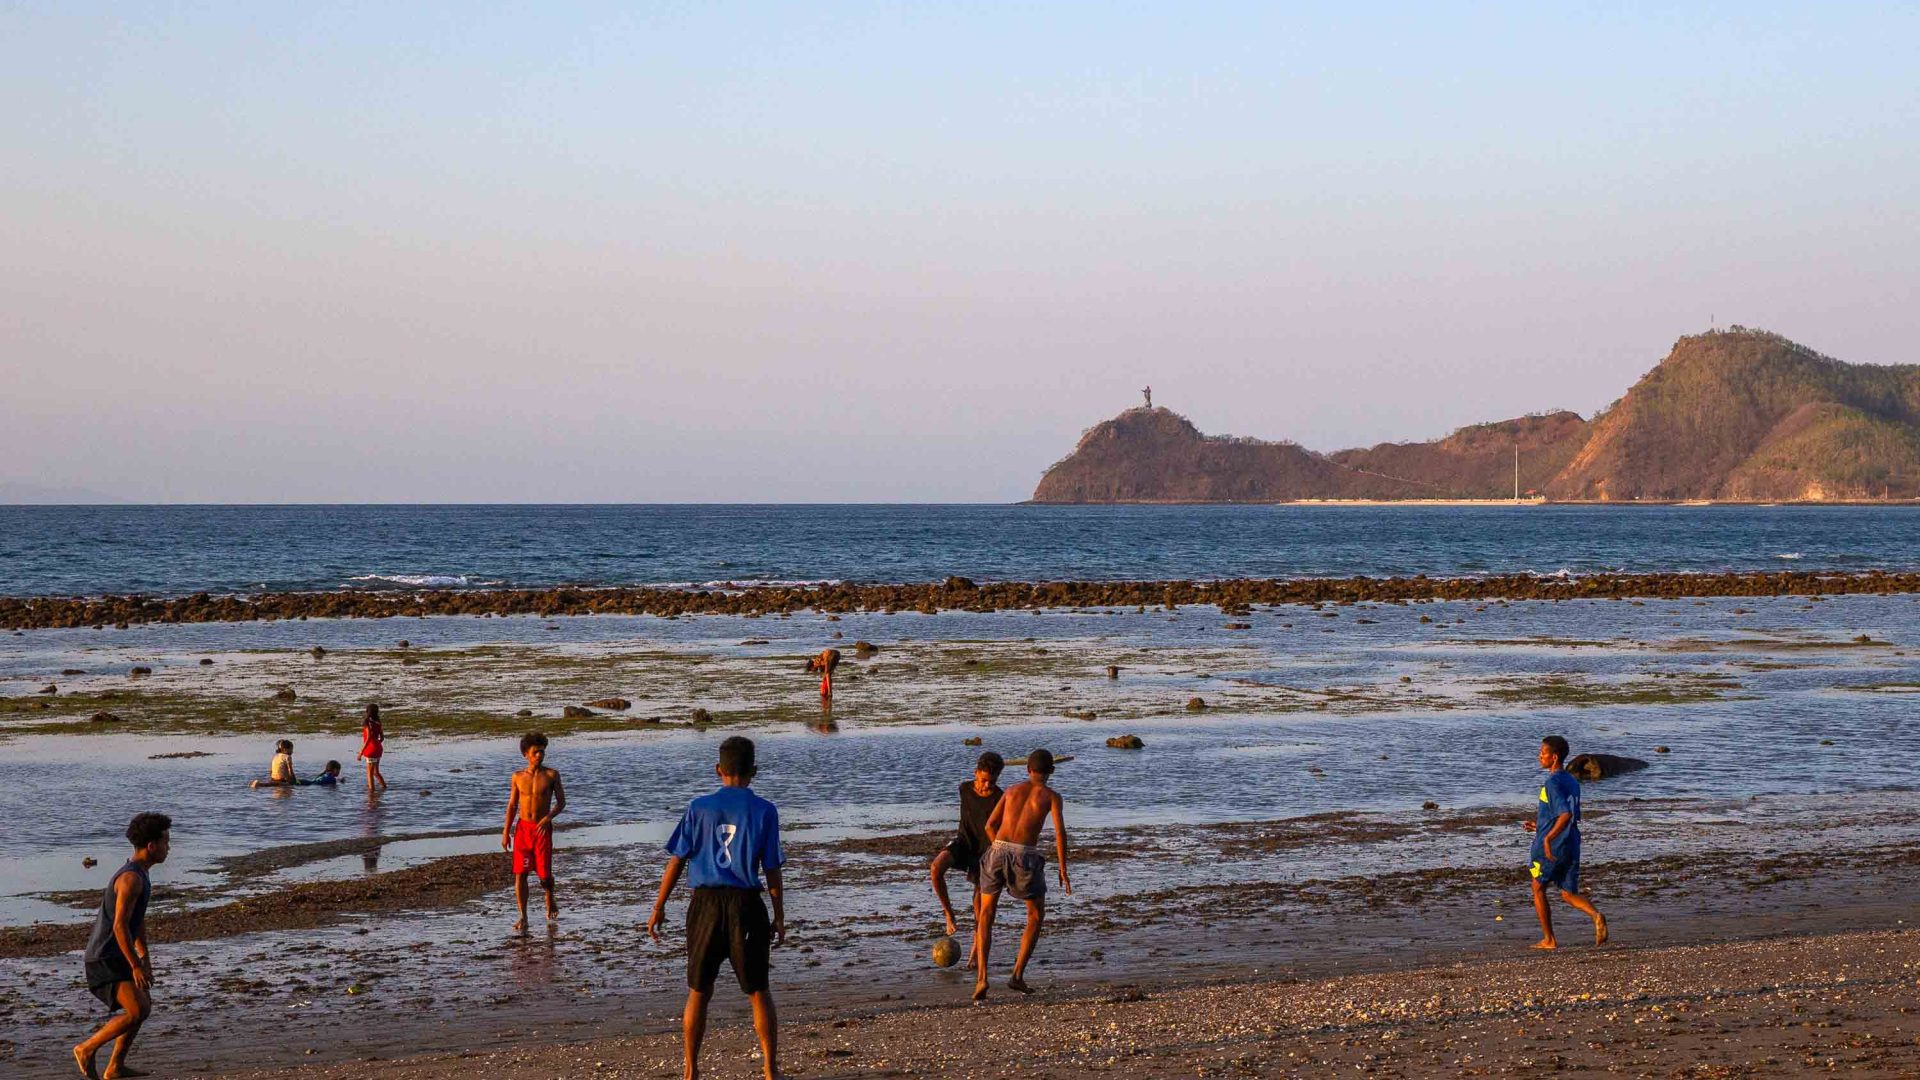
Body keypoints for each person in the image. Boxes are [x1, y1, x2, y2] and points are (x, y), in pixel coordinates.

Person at [648, 736, 786, 1080]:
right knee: (758, 991)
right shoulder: (765, 810)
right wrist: (779, 913)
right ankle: (770, 1070)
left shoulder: (699, 808)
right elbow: (771, 868)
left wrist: (659, 905)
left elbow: (677, 860)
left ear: (718, 770)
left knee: (698, 990)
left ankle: (691, 1070)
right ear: (753, 771)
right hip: (746, 904)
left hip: (705, 905)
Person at [73, 812, 171, 1080]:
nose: (169, 848)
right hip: (104, 956)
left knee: (142, 1007)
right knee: (138, 1009)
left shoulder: (141, 874)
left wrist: (144, 958)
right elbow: (118, 926)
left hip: (119, 953)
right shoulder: (131, 879)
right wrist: (135, 965)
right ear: (151, 845)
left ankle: (115, 1067)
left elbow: (136, 922)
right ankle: (86, 1048)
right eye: (166, 842)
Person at [973, 748, 1070, 1003]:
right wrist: (1063, 868)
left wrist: (999, 850)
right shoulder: (1051, 797)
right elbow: (1060, 834)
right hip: (1024, 855)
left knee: (986, 915)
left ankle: (982, 978)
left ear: (1028, 770)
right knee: (1035, 915)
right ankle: (1017, 975)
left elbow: (989, 826)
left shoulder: (1011, 790)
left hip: (997, 850)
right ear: (1051, 771)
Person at [1524, 735, 1609, 950]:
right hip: (1571, 841)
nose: (1538, 757)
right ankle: (1596, 915)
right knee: (1567, 892)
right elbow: (1569, 813)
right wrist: (1540, 825)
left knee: (1537, 887)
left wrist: (1548, 837)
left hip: (1555, 845)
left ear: (1553, 758)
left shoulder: (1551, 782)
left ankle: (1549, 940)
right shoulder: (1571, 780)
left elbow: (1564, 815)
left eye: (1542, 753)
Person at [931, 751, 1005, 945]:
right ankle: (949, 914)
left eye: (992, 781)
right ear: (975, 773)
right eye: (983, 780)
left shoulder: (1000, 797)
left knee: (979, 906)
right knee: (936, 868)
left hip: (985, 852)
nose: (986, 785)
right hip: (963, 843)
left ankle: (975, 951)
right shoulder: (964, 788)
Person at [502, 732, 565, 932]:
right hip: (523, 830)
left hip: (542, 830)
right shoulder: (518, 777)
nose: (540, 755)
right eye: (536, 752)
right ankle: (523, 916)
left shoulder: (551, 775)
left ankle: (549, 896)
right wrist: (505, 832)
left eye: (542, 751)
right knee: (520, 874)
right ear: (526, 755)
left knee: (545, 876)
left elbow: (561, 803)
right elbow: (512, 805)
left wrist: (548, 818)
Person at [358, 704, 388, 792]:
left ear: (367, 712)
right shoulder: (378, 723)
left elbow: (368, 738)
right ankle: (384, 787)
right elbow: (382, 738)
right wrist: (377, 744)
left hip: (370, 749)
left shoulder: (368, 723)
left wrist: (361, 752)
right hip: (378, 748)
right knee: (376, 772)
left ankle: (371, 793)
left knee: (369, 773)